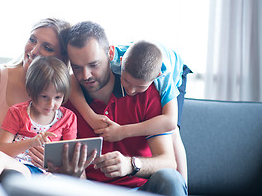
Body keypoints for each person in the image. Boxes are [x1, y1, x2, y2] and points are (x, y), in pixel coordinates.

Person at [62, 21, 187, 195]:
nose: (86, 75)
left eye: (94, 65)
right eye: (77, 67)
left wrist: (131, 164)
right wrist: (74, 175)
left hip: (138, 188)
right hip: (90, 191)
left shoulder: (147, 90)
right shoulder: (65, 99)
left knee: (171, 178)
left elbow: (168, 161)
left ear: (111, 54)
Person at [0, 18, 71, 171]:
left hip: (27, 177)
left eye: (47, 48)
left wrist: (54, 164)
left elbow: (70, 162)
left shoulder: (62, 95)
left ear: (62, 59)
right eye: (32, 40)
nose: (34, 51)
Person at [0, 56, 77, 179]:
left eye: (57, 97)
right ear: (30, 91)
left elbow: (70, 157)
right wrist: (32, 142)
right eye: (44, 97)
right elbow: (1, 149)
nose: (51, 104)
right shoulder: (17, 112)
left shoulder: (68, 118)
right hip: (17, 166)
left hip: (45, 172)